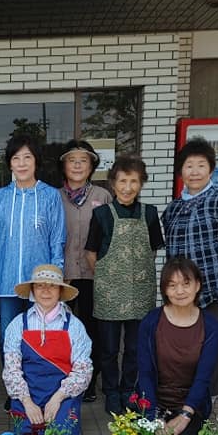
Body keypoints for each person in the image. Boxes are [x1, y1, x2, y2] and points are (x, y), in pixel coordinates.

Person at [0, 134, 66, 387]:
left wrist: (56, 281)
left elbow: (57, 241)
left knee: (40, 336)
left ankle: (37, 387)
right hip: (6, 284)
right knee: (8, 339)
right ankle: (14, 390)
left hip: (40, 285)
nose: (21, 163)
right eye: (16, 158)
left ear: (36, 162)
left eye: (27, 157)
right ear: (9, 164)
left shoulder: (50, 196)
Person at [85, 155, 164, 415]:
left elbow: (152, 251)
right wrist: (110, 276)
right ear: (112, 183)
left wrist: (135, 274)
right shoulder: (101, 214)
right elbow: (91, 253)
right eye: (122, 181)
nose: (127, 187)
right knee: (108, 348)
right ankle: (111, 392)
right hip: (109, 292)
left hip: (140, 292)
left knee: (134, 347)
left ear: (141, 184)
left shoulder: (150, 214)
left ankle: (129, 390)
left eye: (134, 181)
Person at [161, 138, 218, 395]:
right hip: (180, 294)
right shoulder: (173, 208)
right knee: (182, 346)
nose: (195, 172)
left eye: (201, 165)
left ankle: (206, 400)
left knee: (211, 348)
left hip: (214, 291)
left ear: (211, 170)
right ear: (181, 172)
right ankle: (182, 395)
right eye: (189, 166)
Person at [3, 264, 92, 435]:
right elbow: (11, 370)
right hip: (28, 394)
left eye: (52, 285)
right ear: (32, 291)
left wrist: (58, 399)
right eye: (40, 285)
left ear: (60, 291)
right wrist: (27, 402)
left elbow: (83, 370)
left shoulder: (75, 326)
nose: (46, 290)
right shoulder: (17, 324)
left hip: (63, 395)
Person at [136, 258, 218, 435]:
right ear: (165, 289)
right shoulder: (151, 321)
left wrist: (185, 415)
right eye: (172, 285)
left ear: (198, 285)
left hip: (191, 405)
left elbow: (203, 377)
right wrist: (152, 418)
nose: (180, 291)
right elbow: (145, 373)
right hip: (154, 402)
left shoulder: (211, 325)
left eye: (186, 283)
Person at [57, 139, 112, 403]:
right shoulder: (54, 197)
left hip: (94, 275)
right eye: (72, 160)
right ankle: (62, 377)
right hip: (63, 275)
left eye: (83, 160)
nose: (77, 165)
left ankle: (89, 381)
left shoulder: (103, 197)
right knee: (63, 330)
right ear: (63, 165)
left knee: (92, 330)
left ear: (91, 166)